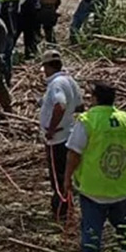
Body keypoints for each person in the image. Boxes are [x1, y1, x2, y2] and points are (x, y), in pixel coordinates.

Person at [65, 82, 126, 252]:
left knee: (91, 228)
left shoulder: (87, 120)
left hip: (93, 187)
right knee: (124, 226)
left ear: (95, 98)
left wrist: (67, 178)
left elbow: (74, 153)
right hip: (119, 185)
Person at [39, 49, 83, 223]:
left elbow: (60, 105)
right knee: (66, 173)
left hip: (57, 138)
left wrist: (51, 128)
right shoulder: (69, 80)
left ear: (48, 67)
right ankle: (67, 206)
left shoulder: (56, 84)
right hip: (69, 135)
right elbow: (80, 106)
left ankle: (61, 211)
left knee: (57, 176)